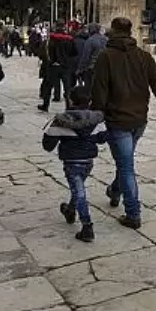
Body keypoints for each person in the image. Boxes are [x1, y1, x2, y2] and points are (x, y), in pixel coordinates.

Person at [91, 17, 156, 230]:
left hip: (118, 120)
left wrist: (94, 117)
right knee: (126, 161)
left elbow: (99, 91)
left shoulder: (106, 57)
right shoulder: (143, 56)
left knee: (126, 165)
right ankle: (114, 191)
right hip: (139, 119)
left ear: (113, 31)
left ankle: (133, 213)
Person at [43, 85, 109, 243]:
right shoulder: (97, 119)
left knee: (79, 192)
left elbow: (48, 145)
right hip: (88, 161)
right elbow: (103, 137)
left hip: (72, 161)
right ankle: (70, 210)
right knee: (77, 188)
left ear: (70, 99)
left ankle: (87, 227)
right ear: (90, 101)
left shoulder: (61, 120)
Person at [38, 22, 76, 111]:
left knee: (48, 86)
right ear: (64, 27)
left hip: (53, 66)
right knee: (67, 88)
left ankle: (45, 105)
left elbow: (44, 52)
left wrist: (50, 61)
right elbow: (74, 52)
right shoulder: (69, 39)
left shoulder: (50, 39)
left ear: (55, 27)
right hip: (65, 66)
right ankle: (69, 105)